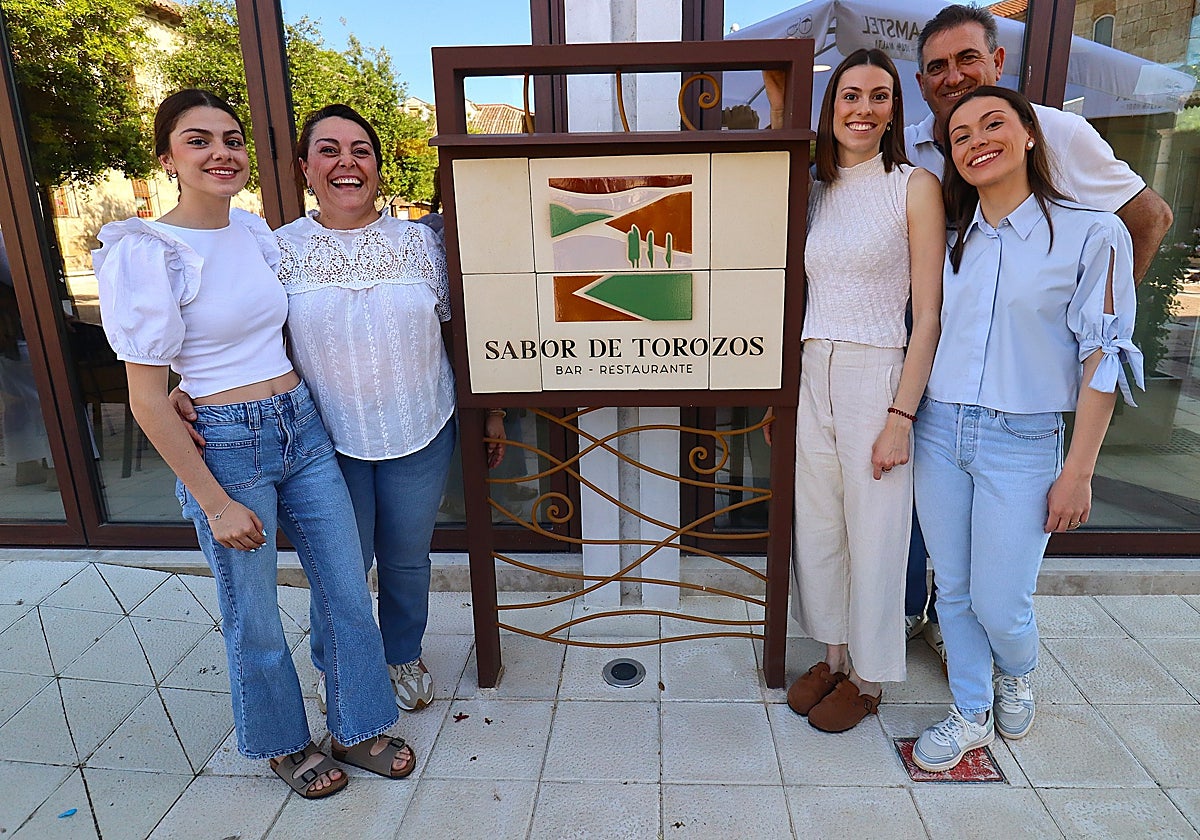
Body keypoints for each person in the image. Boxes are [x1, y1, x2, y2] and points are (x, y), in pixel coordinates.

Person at [94, 89, 415, 798]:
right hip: (228, 446)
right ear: (167, 157)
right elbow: (146, 398)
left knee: (345, 590)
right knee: (255, 611)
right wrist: (214, 504)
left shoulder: (255, 233)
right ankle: (283, 743)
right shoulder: (147, 252)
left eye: (231, 139)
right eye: (198, 140)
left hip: (300, 425)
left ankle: (357, 726)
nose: (221, 153)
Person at [176, 104, 505, 713]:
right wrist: (184, 383)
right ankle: (340, 668)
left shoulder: (422, 243)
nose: (346, 163)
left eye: (360, 150)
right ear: (306, 168)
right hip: (322, 442)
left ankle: (402, 652)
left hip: (423, 428)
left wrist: (491, 412)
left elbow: (461, 333)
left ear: (377, 168)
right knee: (340, 573)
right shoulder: (276, 250)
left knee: (407, 561)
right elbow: (239, 332)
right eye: (328, 150)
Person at [901, 3, 1173, 660]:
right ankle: (933, 623)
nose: (954, 75)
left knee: (999, 569)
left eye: (968, 58)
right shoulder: (912, 142)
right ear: (923, 82)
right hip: (935, 371)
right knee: (936, 535)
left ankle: (989, 650)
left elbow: (1151, 217)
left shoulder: (1059, 134)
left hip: (1020, 397)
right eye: (937, 67)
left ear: (998, 62)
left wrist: (1085, 334)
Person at [911, 87, 1142, 772]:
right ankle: (971, 710)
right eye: (960, 135)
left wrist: (1079, 471)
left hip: (1024, 441)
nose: (977, 141)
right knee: (949, 589)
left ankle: (1018, 667)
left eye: (993, 124)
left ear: (1031, 136)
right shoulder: (953, 238)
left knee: (998, 598)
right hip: (939, 432)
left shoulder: (1093, 233)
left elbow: (1102, 361)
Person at [764, 49, 944, 733]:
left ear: (896, 108)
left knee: (876, 529)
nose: (863, 109)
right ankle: (834, 656)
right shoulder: (813, 188)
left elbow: (927, 313)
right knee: (819, 521)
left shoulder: (913, 185)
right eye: (849, 96)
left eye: (878, 96)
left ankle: (870, 676)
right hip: (814, 365)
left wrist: (901, 413)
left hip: (878, 369)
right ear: (829, 106)